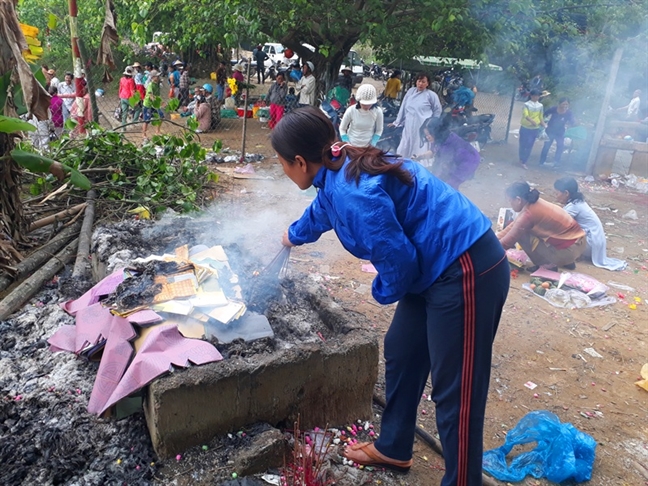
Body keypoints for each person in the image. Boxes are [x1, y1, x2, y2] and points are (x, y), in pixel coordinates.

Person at [272, 107, 509, 486]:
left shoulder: (353, 192)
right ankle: (394, 447)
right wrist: (293, 234)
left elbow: (398, 262)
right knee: (402, 349)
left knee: (455, 392)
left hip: (465, 266)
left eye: (282, 163)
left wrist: (381, 291)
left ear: (300, 161)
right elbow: (323, 209)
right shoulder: (336, 167)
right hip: (431, 269)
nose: (284, 170)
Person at [497, 182, 586, 271]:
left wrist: (489, 249)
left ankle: (546, 265)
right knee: (522, 229)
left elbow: (506, 243)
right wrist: (493, 239)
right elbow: (512, 226)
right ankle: (565, 262)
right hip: (578, 243)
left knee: (522, 234)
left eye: (510, 201)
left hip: (570, 250)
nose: (510, 204)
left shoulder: (527, 214)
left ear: (518, 200)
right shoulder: (534, 203)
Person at [554, 177, 627, 271]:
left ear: (566, 193)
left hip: (591, 243)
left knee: (557, 233)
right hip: (596, 242)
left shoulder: (574, 206)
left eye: (557, 193)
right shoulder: (578, 203)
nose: (555, 196)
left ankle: (571, 256)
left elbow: (558, 223)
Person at [415, 115, 480, 190]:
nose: (427, 137)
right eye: (426, 135)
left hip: (469, 162)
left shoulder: (448, 144)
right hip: (456, 160)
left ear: (437, 132)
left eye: (430, 134)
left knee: (449, 186)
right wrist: (420, 157)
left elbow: (444, 166)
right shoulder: (438, 139)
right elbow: (433, 151)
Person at [391, 73, 442, 159]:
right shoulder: (411, 91)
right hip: (409, 125)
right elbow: (403, 107)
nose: (420, 84)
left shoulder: (431, 95)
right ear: (416, 82)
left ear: (427, 83)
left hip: (423, 127)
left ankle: (419, 164)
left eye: (423, 82)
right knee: (405, 145)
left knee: (419, 145)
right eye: (419, 81)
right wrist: (397, 122)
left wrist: (431, 125)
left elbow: (437, 110)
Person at [539, 97, 575, 166]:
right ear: (559, 104)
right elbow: (543, 115)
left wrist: (574, 124)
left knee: (560, 146)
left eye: (567, 104)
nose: (565, 106)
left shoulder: (569, 113)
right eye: (563, 104)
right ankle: (541, 162)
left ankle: (556, 162)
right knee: (546, 146)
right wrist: (543, 123)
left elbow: (572, 121)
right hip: (550, 130)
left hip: (560, 132)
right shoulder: (553, 109)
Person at [518, 89, 546, 169]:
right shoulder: (526, 104)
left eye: (538, 96)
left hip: (535, 128)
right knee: (523, 144)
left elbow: (540, 117)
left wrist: (543, 124)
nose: (536, 97)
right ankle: (521, 159)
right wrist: (531, 120)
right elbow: (525, 115)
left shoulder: (540, 106)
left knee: (530, 145)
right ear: (531, 96)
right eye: (535, 96)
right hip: (525, 127)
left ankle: (524, 161)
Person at [142, 70, 163, 139]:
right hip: (148, 104)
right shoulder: (150, 84)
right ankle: (144, 134)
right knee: (146, 120)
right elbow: (151, 95)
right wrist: (156, 101)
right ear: (153, 77)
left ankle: (157, 131)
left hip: (155, 104)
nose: (158, 77)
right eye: (157, 76)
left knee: (161, 116)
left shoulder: (157, 84)